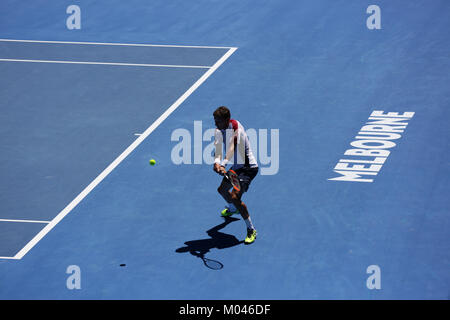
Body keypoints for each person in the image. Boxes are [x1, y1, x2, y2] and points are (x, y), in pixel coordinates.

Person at [213, 106, 259, 244]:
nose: (216, 124)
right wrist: (216, 162)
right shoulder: (218, 130)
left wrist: (223, 164)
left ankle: (251, 229)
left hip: (248, 168)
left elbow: (233, 148)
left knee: (234, 196)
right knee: (221, 190)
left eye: (218, 121)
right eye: (215, 120)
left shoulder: (235, 127)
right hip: (237, 167)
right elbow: (218, 148)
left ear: (226, 120)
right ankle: (233, 208)